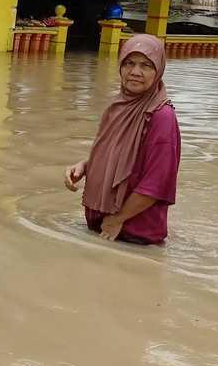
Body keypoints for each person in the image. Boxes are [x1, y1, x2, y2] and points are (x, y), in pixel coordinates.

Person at [62, 34, 181, 244]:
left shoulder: (162, 117)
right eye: (129, 63)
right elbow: (121, 157)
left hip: (134, 238)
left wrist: (118, 218)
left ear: (158, 70)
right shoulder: (117, 107)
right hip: (102, 229)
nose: (135, 72)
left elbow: (157, 181)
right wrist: (86, 166)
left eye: (146, 65)